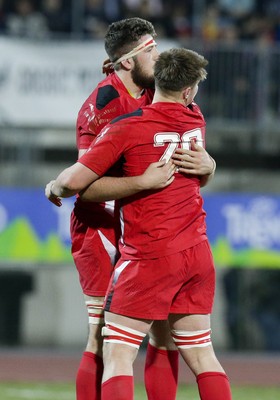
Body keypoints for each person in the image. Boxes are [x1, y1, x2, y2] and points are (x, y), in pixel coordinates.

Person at [47, 18, 216, 400]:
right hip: (104, 228)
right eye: (150, 51)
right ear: (126, 62)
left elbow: (190, 154)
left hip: (145, 232)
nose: (158, 59)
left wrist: (210, 165)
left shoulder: (163, 95)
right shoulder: (103, 107)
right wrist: (142, 183)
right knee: (103, 332)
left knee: (162, 333)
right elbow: (85, 187)